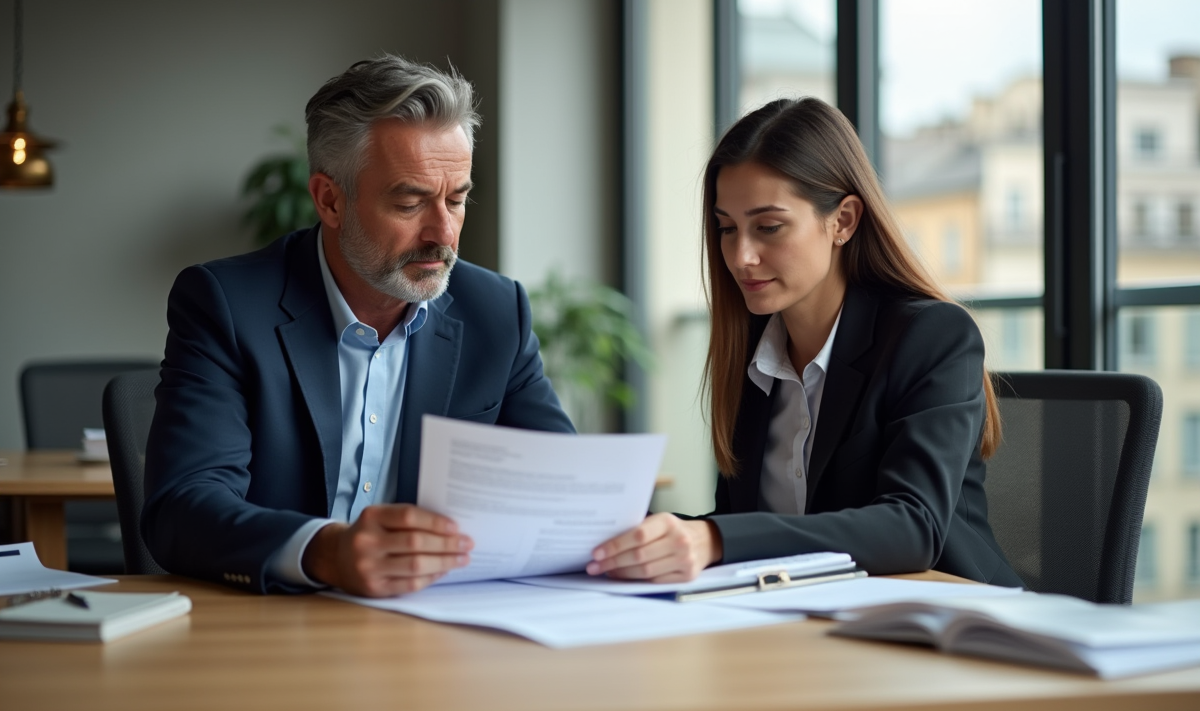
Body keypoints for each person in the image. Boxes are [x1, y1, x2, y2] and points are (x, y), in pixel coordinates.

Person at [142, 55, 574, 597]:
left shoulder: (495, 311)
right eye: (410, 202)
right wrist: (325, 551)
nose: (443, 231)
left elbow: (564, 488)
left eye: (457, 199)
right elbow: (182, 507)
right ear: (329, 200)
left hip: (439, 629)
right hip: (274, 629)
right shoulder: (227, 305)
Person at [587, 97, 1023, 588]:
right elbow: (750, 519)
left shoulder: (931, 335)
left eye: (769, 227)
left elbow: (912, 528)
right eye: (727, 228)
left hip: (948, 622)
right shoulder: (756, 350)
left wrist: (716, 538)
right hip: (816, 621)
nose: (740, 256)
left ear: (843, 221)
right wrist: (651, 537)